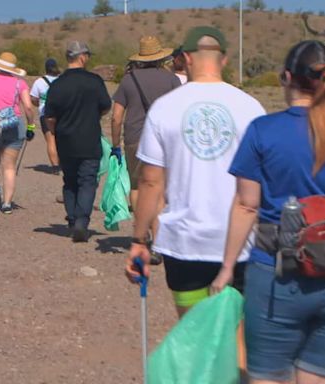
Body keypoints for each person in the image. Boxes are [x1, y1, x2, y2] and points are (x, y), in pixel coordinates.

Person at [211, 40, 325, 384]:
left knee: (268, 376)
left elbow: (247, 205)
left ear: (287, 77)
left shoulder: (264, 131)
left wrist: (226, 269)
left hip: (276, 275)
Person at [125, 27, 266, 317]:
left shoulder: (165, 109)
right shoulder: (251, 108)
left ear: (186, 58)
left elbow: (151, 182)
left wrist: (139, 240)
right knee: (235, 335)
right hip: (238, 243)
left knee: (193, 333)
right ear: (224, 59)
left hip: (184, 243)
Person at [44, 41, 112, 242]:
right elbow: (106, 106)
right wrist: (93, 115)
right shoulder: (95, 81)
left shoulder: (57, 84)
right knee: (88, 181)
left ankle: (73, 220)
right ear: (82, 57)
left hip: (66, 140)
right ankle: (82, 221)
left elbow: (49, 117)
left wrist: (55, 132)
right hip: (90, 138)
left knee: (70, 181)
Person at [111, 35, 180, 228]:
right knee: (159, 188)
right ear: (160, 57)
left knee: (136, 186)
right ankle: (158, 233)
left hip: (135, 138)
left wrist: (116, 145)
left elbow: (116, 117)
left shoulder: (128, 80)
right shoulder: (172, 79)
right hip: (164, 140)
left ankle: (142, 230)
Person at [0, 52, 36, 214]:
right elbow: (27, 106)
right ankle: (7, 203)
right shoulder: (20, 83)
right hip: (14, 125)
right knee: (10, 166)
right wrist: (31, 126)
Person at [30, 58, 61, 175]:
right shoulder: (61, 80)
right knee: (61, 139)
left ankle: (55, 166)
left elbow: (33, 98)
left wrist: (39, 104)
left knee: (50, 139)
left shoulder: (39, 82)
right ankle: (63, 162)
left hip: (46, 114)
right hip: (61, 113)